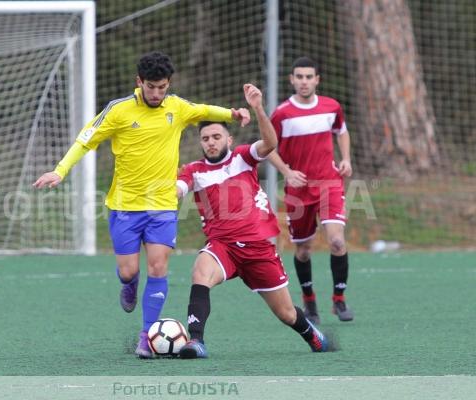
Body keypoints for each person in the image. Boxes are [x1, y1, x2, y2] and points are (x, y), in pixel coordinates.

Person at [33, 51, 250, 358]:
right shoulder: (119, 110)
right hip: (124, 206)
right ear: (140, 82)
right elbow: (86, 139)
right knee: (128, 270)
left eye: (162, 87)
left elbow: (202, 109)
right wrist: (60, 170)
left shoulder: (176, 107)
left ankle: (146, 336)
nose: (157, 94)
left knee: (159, 266)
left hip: (162, 205)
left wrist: (232, 114)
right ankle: (129, 283)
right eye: (152, 87)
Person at [175, 83, 331, 359]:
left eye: (216, 137)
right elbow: (180, 188)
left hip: (259, 248)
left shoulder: (243, 158)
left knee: (286, 313)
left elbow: (271, 144)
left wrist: (258, 108)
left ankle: (312, 335)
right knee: (200, 272)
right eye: (206, 139)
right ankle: (196, 342)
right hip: (222, 246)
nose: (211, 142)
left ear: (229, 140)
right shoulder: (194, 171)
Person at [267, 56, 354, 324]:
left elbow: (342, 130)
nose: (304, 82)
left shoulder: (331, 107)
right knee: (303, 250)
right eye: (299, 77)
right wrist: (286, 172)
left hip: (329, 183)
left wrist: (346, 158)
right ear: (292, 80)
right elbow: (267, 147)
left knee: (337, 241)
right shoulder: (282, 114)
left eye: (309, 77)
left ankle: (339, 300)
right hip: (299, 191)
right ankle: (309, 299)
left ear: (317, 80)